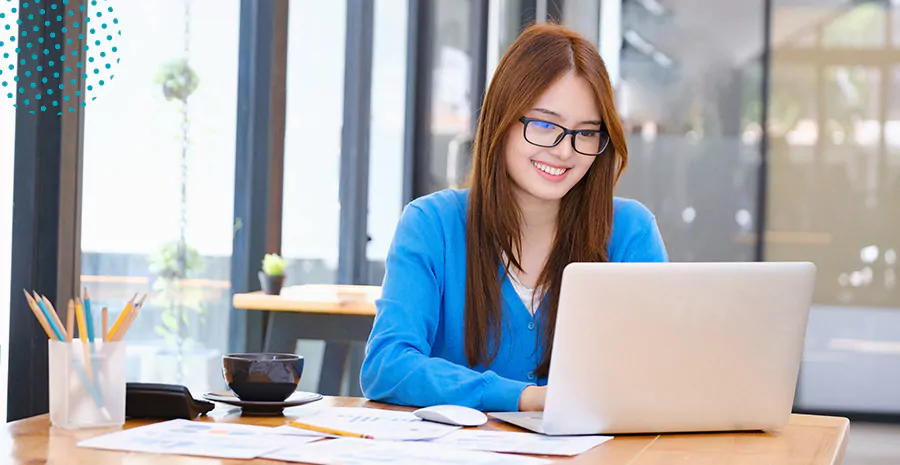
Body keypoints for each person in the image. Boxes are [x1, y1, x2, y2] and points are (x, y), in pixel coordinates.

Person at [359, 23, 668, 413]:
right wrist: (523, 398)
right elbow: (388, 367)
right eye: (544, 124)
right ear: (502, 120)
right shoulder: (431, 224)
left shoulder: (630, 231)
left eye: (585, 133)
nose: (564, 151)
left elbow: (659, 371)